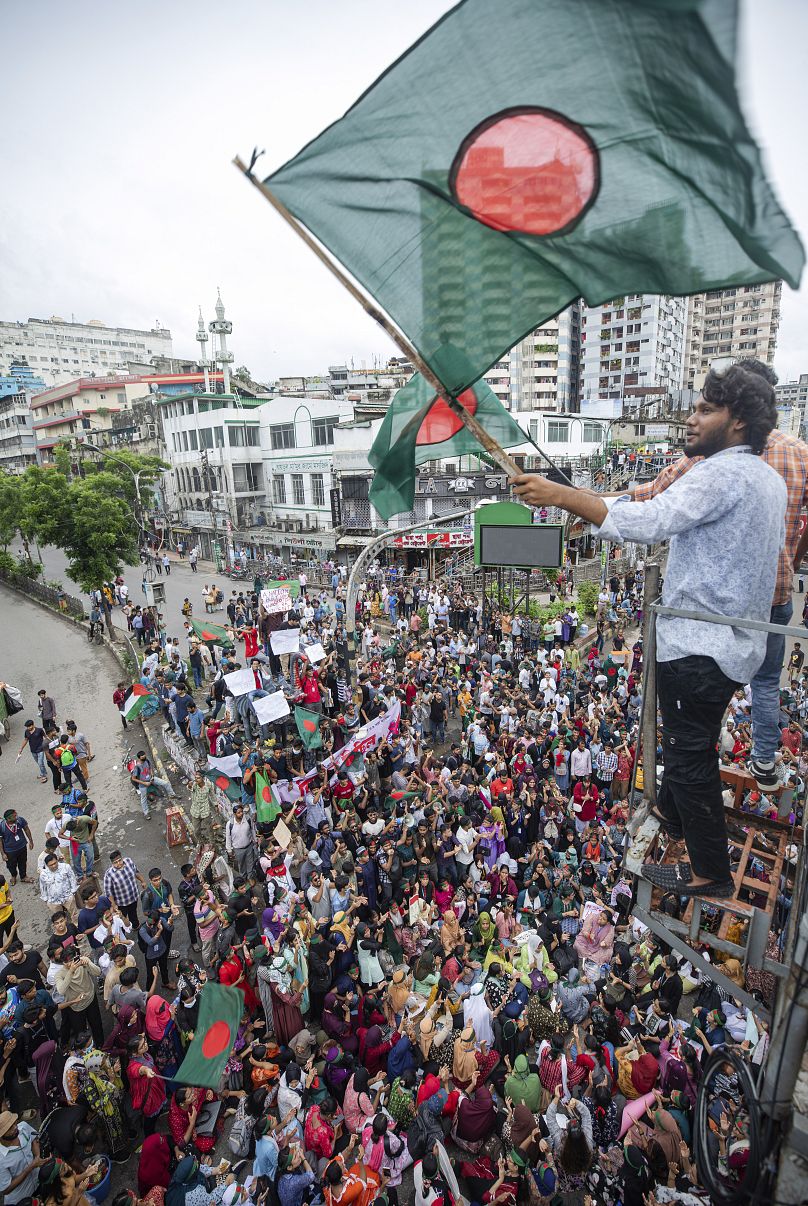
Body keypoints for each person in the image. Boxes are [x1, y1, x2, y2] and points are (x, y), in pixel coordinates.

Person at [512, 362, 786, 897]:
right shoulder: (767, 478)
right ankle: (679, 815)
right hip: (737, 643)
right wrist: (582, 497)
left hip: (700, 647)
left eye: (705, 409)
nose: (691, 418)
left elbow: (650, 521)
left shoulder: (721, 474)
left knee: (687, 757)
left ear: (737, 422)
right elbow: (648, 507)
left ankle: (709, 871)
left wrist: (562, 495)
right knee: (690, 748)